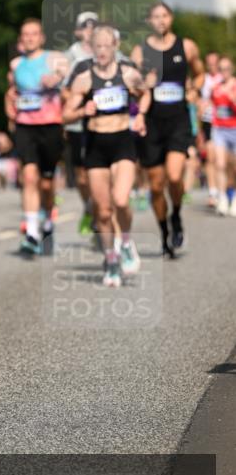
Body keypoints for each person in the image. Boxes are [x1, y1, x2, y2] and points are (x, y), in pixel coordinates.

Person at [63, 25, 149, 287]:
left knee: (121, 201)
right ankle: (111, 260)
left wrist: (141, 116)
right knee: (102, 210)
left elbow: (145, 94)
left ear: (115, 47)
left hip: (122, 141)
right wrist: (82, 111)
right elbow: (65, 114)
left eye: (106, 46)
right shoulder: (84, 78)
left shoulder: (129, 74)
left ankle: (126, 242)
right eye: (96, 46)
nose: (101, 51)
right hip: (95, 147)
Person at [131, 3, 203, 257]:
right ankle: (163, 231)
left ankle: (177, 216)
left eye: (164, 16)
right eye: (155, 17)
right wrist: (143, 82)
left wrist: (195, 89)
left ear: (170, 18)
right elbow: (133, 83)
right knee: (155, 185)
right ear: (149, 21)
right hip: (152, 122)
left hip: (178, 121)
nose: (160, 21)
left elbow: (199, 73)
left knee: (174, 176)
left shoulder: (187, 46)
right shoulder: (141, 51)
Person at [7, 18, 68, 258]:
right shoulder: (15, 64)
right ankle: (31, 231)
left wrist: (56, 78)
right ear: (21, 39)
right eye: (26, 34)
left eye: (34, 34)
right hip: (25, 126)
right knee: (29, 176)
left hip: (51, 125)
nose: (30, 38)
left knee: (46, 183)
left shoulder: (55, 58)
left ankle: (48, 223)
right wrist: (10, 107)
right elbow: (11, 92)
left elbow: (67, 75)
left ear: (41, 37)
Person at [63, 11, 98, 234]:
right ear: (77, 31)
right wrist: (80, 104)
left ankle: (101, 209)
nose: (90, 30)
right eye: (85, 26)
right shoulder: (70, 55)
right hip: (77, 122)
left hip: (105, 122)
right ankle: (89, 206)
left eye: (94, 25)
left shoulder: (109, 51)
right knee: (81, 174)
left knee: (99, 169)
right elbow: (64, 91)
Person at [211, 55, 236, 216]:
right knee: (219, 164)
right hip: (219, 128)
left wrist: (230, 95)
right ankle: (222, 198)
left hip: (234, 129)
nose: (224, 72)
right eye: (221, 69)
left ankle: (234, 198)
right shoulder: (216, 86)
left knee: (234, 167)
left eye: (226, 69)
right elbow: (212, 106)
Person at [198, 51, 220, 208]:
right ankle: (213, 192)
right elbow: (198, 102)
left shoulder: (224, 78)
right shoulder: (203, 80)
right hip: (208, 122)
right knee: (210, 157)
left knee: (223, 159)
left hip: (224, 123)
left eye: (215, 63)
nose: (212, 66)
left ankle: (224, 189)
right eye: (209, 63)